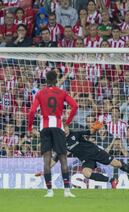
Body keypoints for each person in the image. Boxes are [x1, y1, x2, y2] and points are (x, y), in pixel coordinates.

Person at [36, 123, 129, 188]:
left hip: (95, 152)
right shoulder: (61, 143)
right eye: (62, 129)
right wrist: (45, 170)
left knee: (117, 164)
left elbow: (89, 132)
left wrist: (95, 128)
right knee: (86, 173)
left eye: (66, 128)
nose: (65, 130)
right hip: (85, 159)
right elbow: (55, 159)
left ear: (68, 128)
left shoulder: (75, 133)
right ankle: (112, 180)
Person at [27, 70, 78, 198]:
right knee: (63, 158)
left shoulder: (40, 93)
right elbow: (75, 106)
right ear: (56, 80)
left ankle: (50, 191)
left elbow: (32, 112)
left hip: (44, 127)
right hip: (58, 126)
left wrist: (29, 128)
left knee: (47, 159)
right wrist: (67, 122)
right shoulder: (62, 92)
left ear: (46, 80)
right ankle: (67, 191)